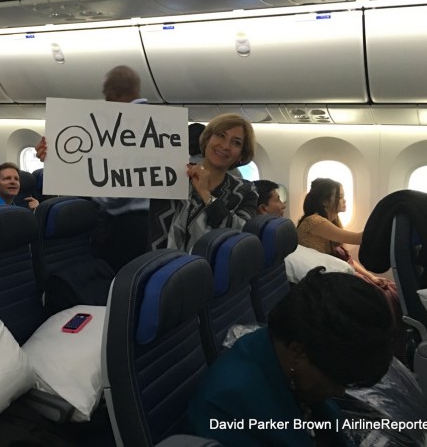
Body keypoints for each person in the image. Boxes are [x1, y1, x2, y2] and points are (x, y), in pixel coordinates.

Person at [188, 267, 395, 446]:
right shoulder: (224, 406)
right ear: (298, 352)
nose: (339, 391)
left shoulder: (286, 356)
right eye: (336, 379)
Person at [35, 65, 151, 271]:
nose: (105, 99)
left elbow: (115, 194)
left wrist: (59, 163)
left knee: (115, 283)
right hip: (147, 224)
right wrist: (53, 159)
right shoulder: (160, 121)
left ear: (113, 92)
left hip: (121, 227)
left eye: (106, 94)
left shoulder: (115, 122)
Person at [296, 178, 400, 314]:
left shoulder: (331, 221)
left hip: (333, 271)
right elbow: (359, 239)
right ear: (325, 201)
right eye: (340, 197)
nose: (345, 200)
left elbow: (345, 258)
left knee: (389, 288)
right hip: (321, 279)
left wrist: (372, 277)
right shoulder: (315, 221)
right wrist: (385, 222)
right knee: (383, 297)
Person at [166, 113, 258, 252]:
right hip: (162, 265)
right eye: (221, 135)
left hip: (214, 270)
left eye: (236, 142)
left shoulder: (246, 190)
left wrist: (205, 194)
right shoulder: (173, 175)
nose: (226, 146)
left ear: (241, 155)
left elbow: (242, 235)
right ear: (207, 139)